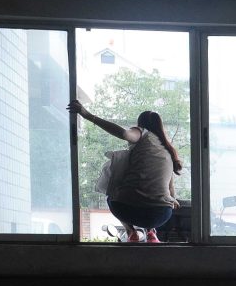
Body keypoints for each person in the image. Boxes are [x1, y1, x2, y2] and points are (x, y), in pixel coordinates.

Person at [68, 99, 181, 243]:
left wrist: (88, 115)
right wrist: (172, 200)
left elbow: (125, 134)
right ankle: (151, 232)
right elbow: (171, 189)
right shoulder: (167, 150)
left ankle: (131, 233)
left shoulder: (143, 133)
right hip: (161, 215)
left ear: (141, 124)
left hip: (128, 209)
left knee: (111, 194)